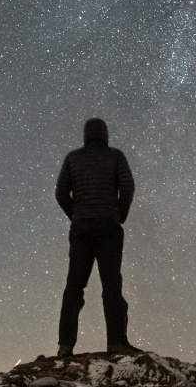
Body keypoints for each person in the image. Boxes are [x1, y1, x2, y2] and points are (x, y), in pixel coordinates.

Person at [55, 117, 139, 357]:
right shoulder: (115, 156)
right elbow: (128, 186)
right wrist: (118, 214)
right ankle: (116, 342)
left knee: (74, 286)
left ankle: (65, 346)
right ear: (105, 135)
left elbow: (60, 191)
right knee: (112, 285)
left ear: (85, 135)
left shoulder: (73, 158)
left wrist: (76, 214)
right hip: (108, 226)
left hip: (81, 228)